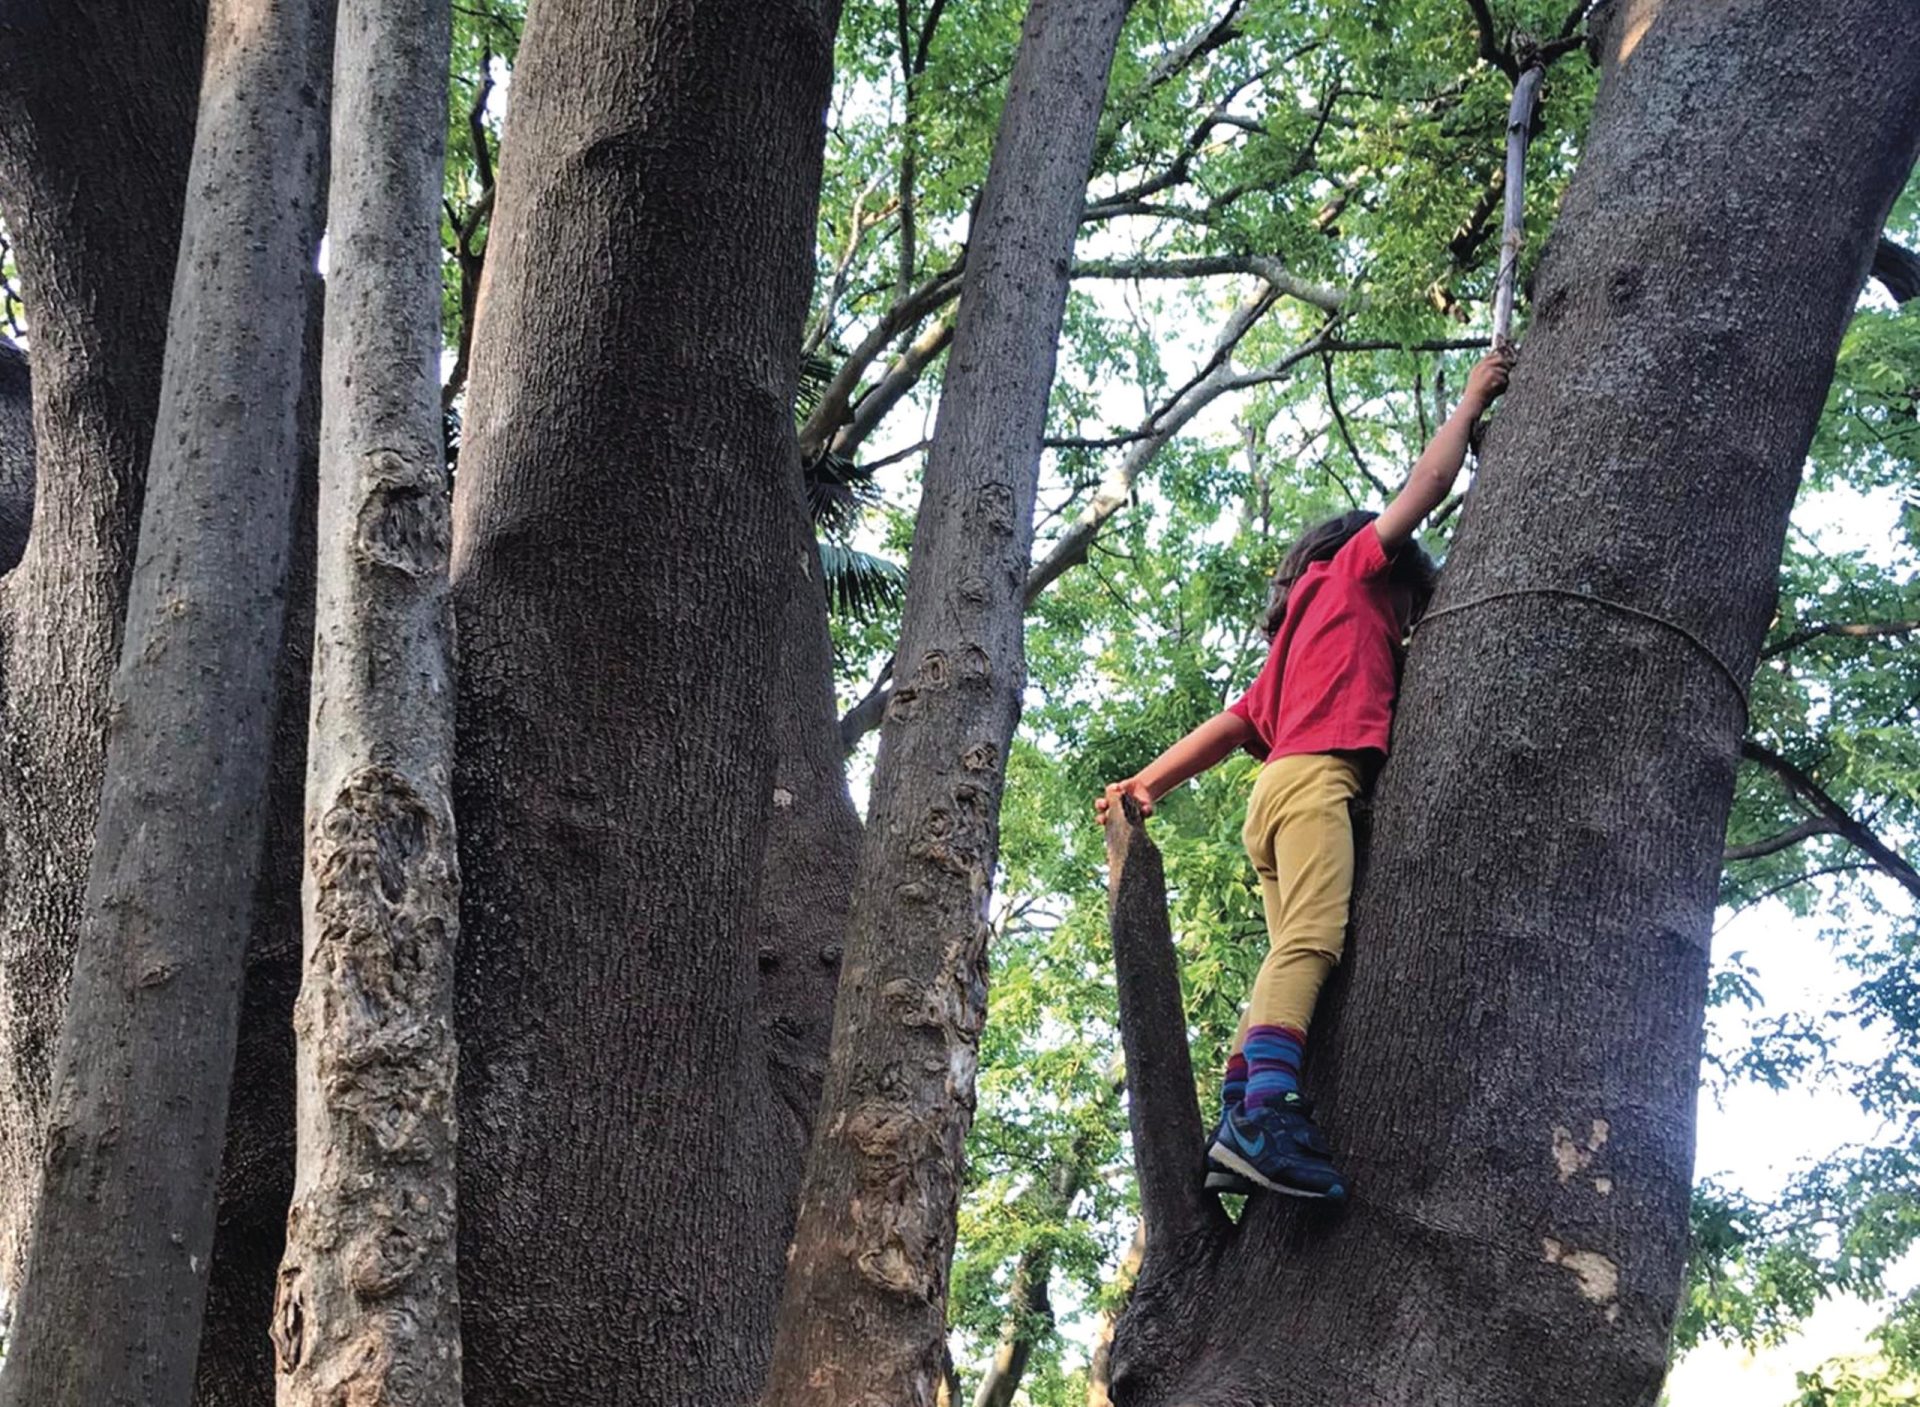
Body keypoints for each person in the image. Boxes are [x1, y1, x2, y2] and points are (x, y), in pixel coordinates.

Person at [1095, 350, 1513, 1198]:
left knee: (1290, 951)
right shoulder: (1356, 570)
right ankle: (1266, 1113)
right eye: (1407, 610)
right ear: (1384, 572)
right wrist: (1472, 400)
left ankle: (1233, 1112)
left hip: (1271, 795)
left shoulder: (1294, 639)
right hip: (1318, 783)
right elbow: (1425, 488)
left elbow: (1235, 723)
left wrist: (1148, 782)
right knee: (1315, 941)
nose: (1403, 628)